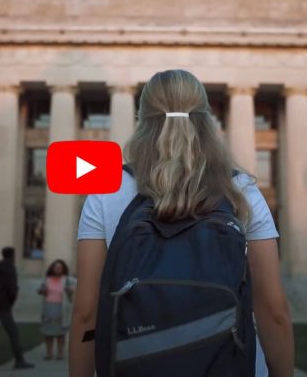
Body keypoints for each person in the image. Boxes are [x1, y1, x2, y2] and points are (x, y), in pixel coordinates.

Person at [69, 70, 294, 377]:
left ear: (142, 119)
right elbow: (273, 311)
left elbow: (86, 313)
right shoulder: (241, 192)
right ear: (206, 119)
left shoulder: (105, 190)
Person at [0, 247, 34, 370]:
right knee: (13, 333)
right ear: (12, 255)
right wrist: (11, 301)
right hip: (3, 305)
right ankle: (19, 360)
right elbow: (11, 289)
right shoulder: (10, 268)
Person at [38, 259, 76, 360]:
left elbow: (75, 287)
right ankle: (49, 353)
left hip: (61, 308)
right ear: (52, 268)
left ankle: (60, 354)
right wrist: (42, 291)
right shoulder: (47, 279)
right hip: (48, 308)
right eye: (56, 267)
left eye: (59, 267)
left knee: (60, 334)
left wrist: (70, 290)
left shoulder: (67, 279)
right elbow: (41, 290)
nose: (58, 269)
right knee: (48, 333)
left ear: (63, 269)